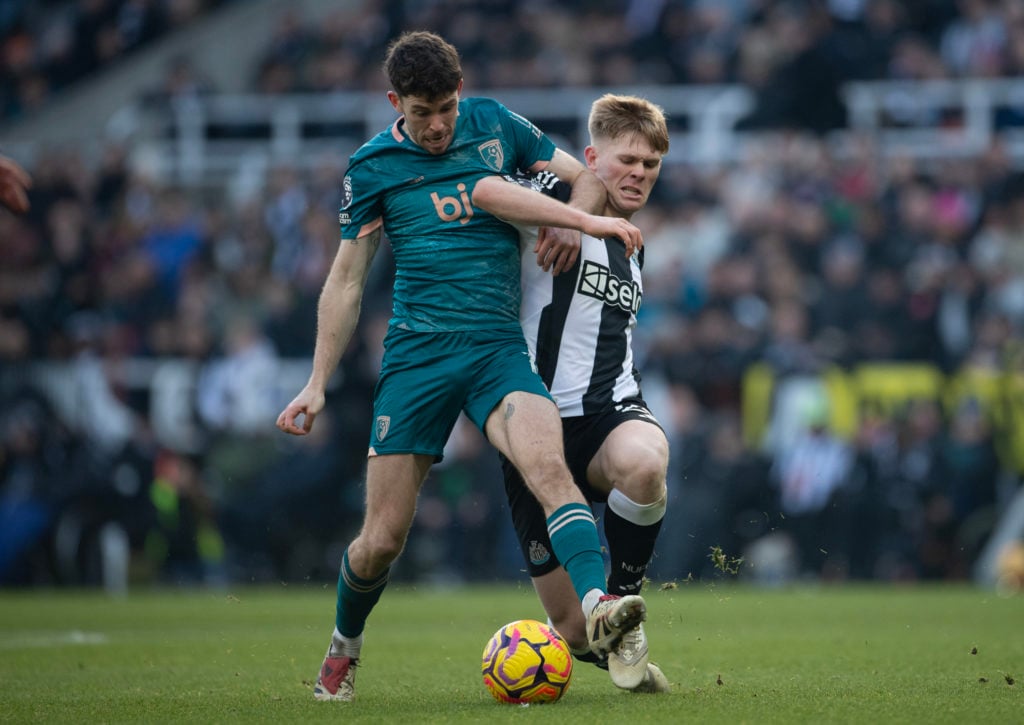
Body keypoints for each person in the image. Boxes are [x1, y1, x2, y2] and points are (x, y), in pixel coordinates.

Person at [275, 31, 649, 702]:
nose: (440, 124)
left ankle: (600, 604)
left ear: (461, 91)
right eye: (424, 112)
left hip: (496, 349)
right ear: (396, 103)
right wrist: (316, 382)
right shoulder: (373, 166)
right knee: (380, 542)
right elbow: (347, 280)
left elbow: (585, 174)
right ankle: (344, 645)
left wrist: (572, 220)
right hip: (417, 359)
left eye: (448, 106)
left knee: (547, 465)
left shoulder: (497, 124)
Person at [472, 94, 672, 693]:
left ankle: (625, 606)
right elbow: (484, 189)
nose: (640, 174)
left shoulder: (635, 245)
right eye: (628, 160)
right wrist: (567, 212)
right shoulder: (547, 208)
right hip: (534, 424)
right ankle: (603, 629)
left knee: (644, 464)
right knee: (573, 633)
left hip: (609, 410)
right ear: (591, 158)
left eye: (652, 165)